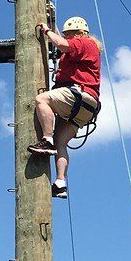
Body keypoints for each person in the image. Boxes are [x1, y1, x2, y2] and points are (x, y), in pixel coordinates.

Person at [28, 17, 102, 197]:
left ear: (79, 33)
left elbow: (61, 43)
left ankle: (46, 140)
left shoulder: (84, 43)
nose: (68, 38)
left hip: (78, 94)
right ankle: (60, 183)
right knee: (61, 143)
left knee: (42, 100)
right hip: (86, 108)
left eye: (70, 35)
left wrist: (46, 31)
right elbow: (62, 42)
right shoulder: (81, 49)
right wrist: (52, 22)